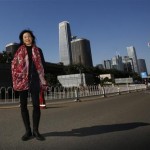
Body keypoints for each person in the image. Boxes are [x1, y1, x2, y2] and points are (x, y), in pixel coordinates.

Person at [11, 29, 47, 141]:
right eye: (25, 37)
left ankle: (36, 131)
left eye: (29, 36)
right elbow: (14, 65)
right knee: (23, 106)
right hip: (22, 80)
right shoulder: (18, 50)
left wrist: (42, 78)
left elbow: (43, 64)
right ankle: (28, 131)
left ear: (32, 37)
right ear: (22, 39)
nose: (27, 38)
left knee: (36, 105)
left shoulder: (38, 50)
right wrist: (19, 76)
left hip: (35, 80)